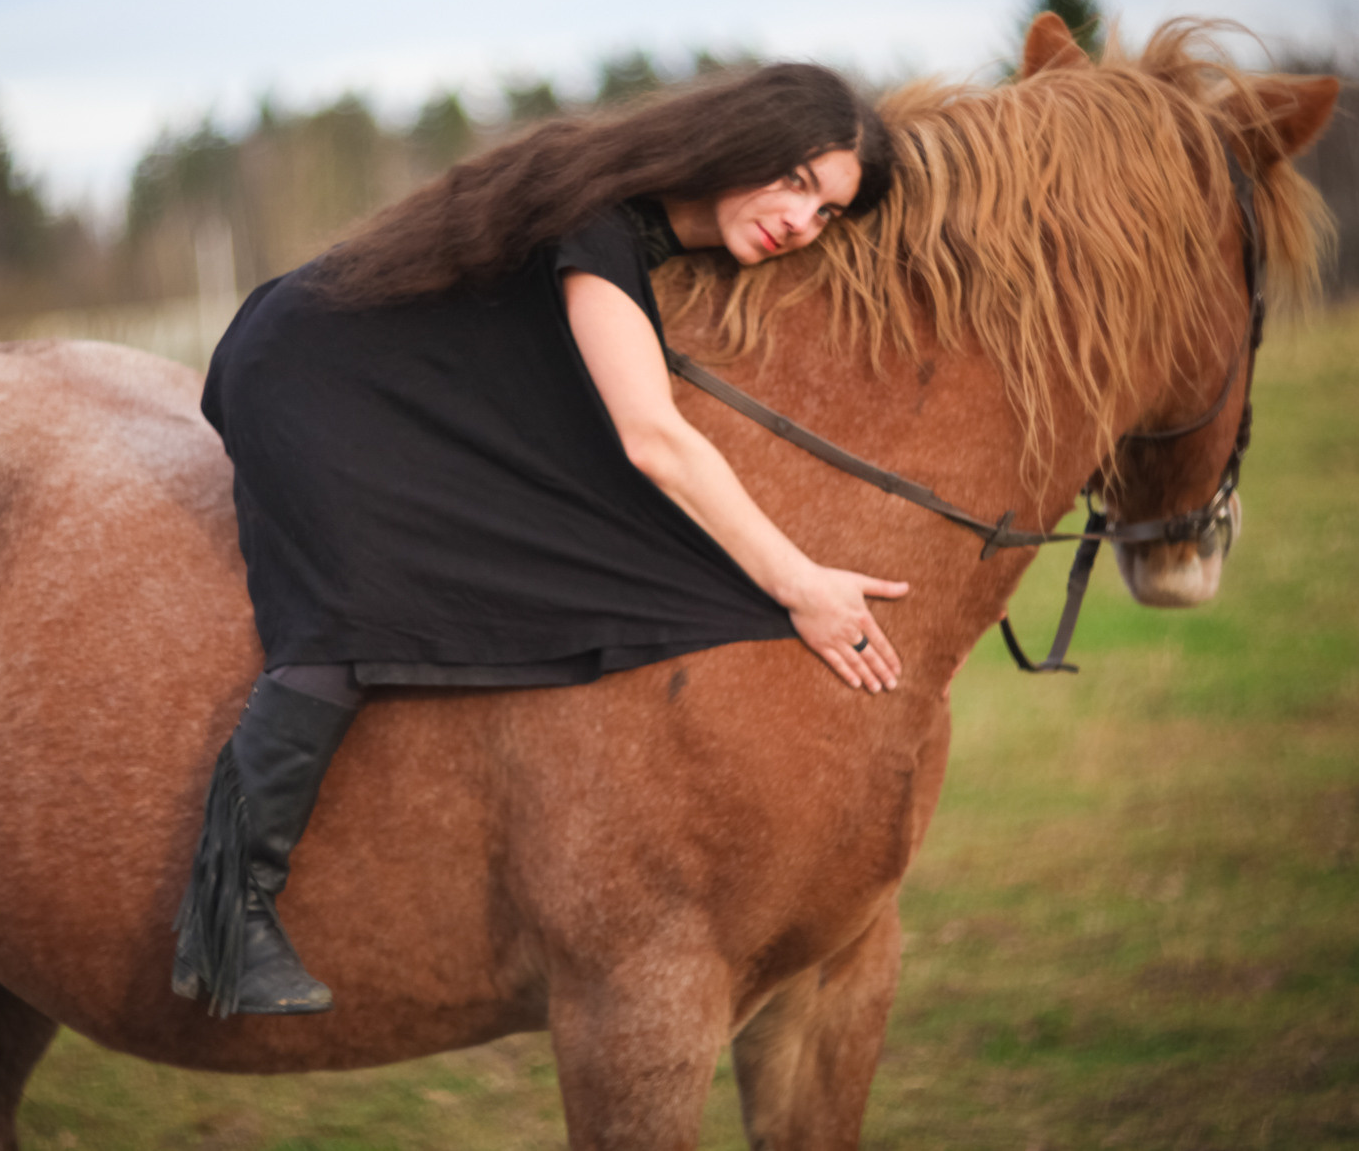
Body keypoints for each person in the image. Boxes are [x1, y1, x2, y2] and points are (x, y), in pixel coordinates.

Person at [173, 63, 911, 1018]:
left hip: (424, 392)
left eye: (827, 214)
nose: (801, 223)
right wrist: (798, 579)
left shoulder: (658, 226)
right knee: (355, 604)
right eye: (799, 183)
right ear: (745, 143)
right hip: (313, 376)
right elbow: (652, 437)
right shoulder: (597, 216)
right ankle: (224, 917)